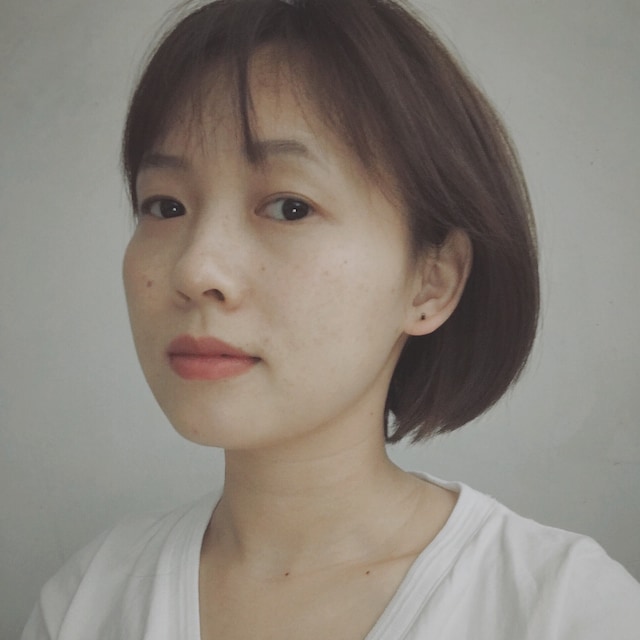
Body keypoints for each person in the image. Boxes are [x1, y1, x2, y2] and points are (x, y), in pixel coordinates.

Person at [21, 0, 640, 638]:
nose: (196, 268)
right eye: (165, 205)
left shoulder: (565, 610)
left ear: (432, 280)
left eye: (289, 207)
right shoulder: (87, 603)